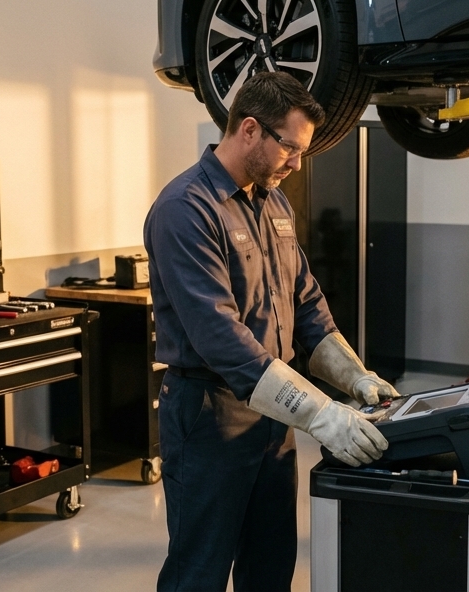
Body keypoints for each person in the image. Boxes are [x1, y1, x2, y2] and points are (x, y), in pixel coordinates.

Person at [144, 71, 401, 591]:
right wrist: (323, 414)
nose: (297, 163)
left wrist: (355, 378)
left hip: (273, 418)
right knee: (199, 572)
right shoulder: (185, 210)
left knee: (270, 566)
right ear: (249, 130)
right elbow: (222, 341)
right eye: (290, 148)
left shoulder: (273, 202)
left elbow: (307, 304)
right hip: (210, 418)